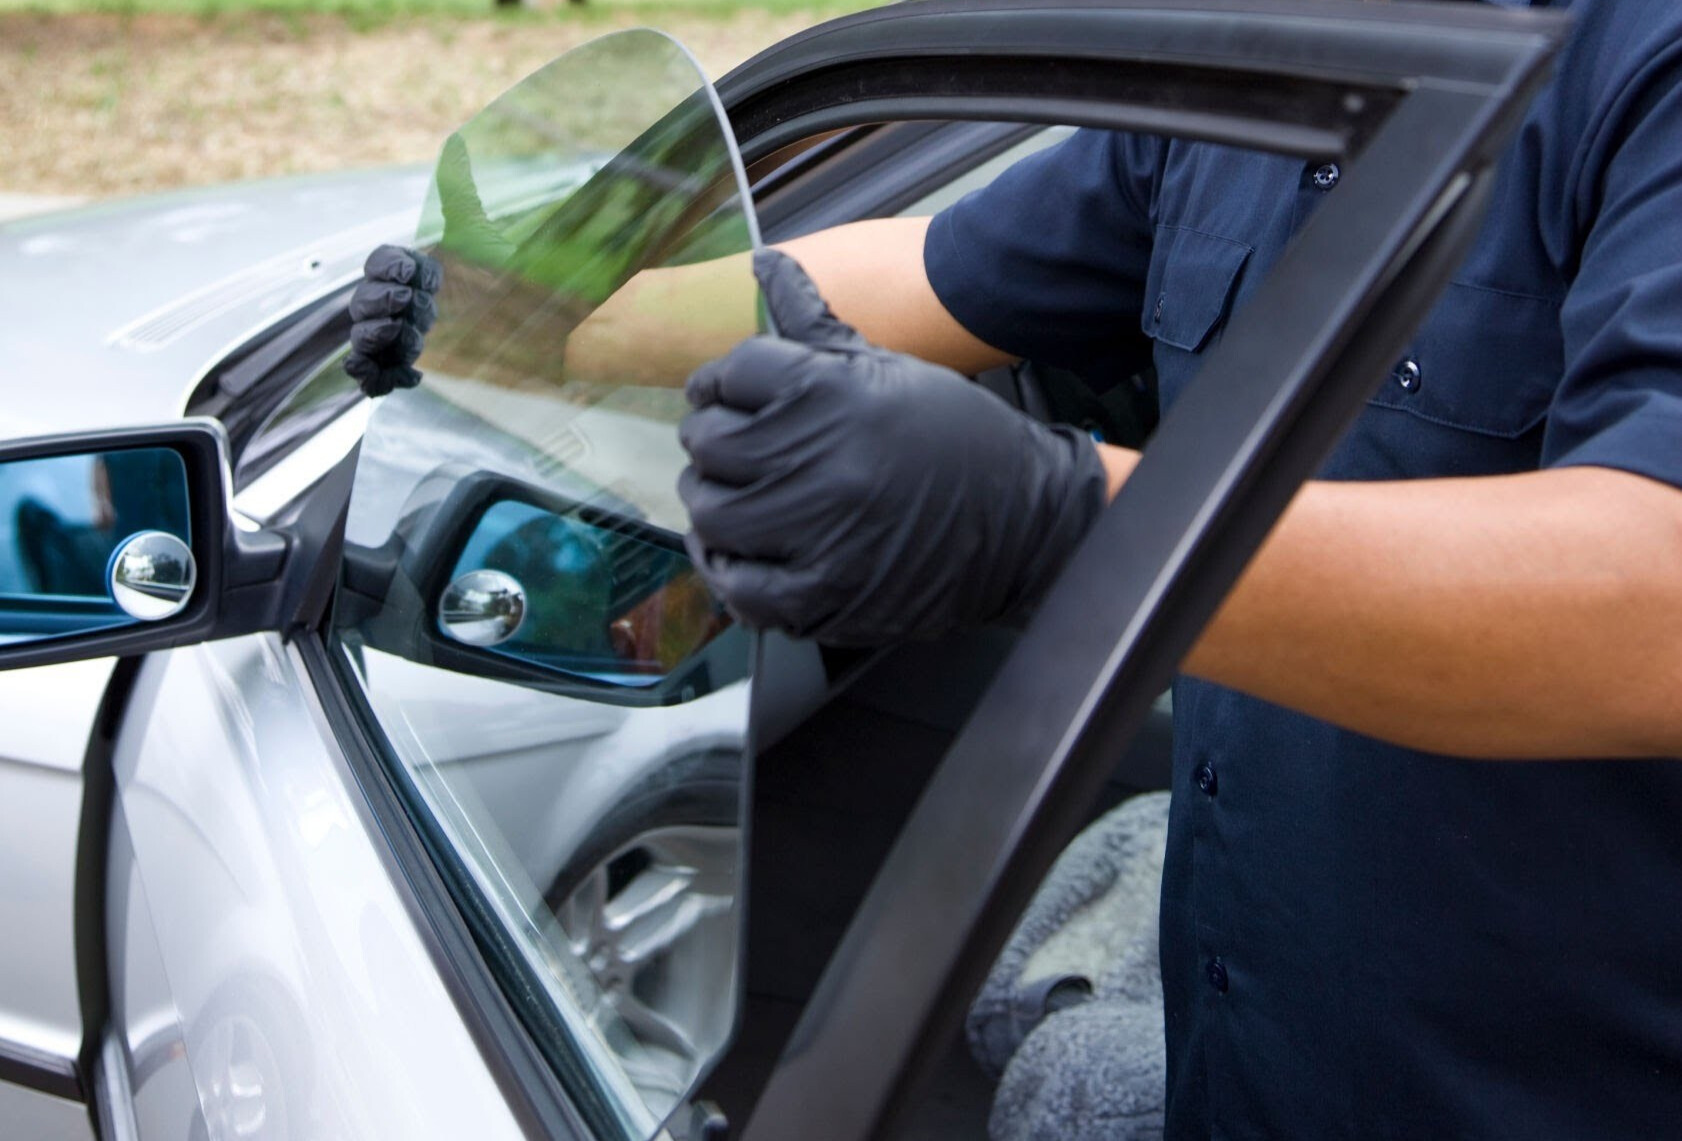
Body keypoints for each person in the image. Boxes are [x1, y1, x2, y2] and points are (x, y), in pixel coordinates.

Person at [347, 0, 1682, 1132]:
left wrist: (1062, 524)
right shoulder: (1263, 48)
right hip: (1257, 1041)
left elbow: (1652, 603)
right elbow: (918, 272)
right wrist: (537, 322)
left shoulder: (1643, 59)